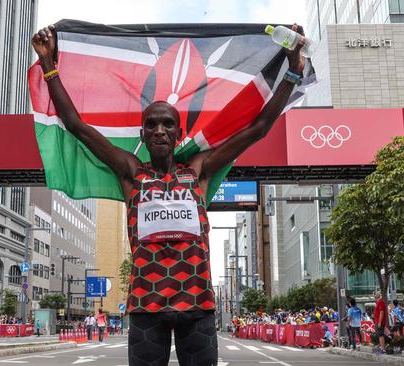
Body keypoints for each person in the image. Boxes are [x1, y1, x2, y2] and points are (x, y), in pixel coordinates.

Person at [32, 22, 306, 365]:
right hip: (147, 307)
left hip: (199, 306)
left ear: (179, 132)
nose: (159, 130)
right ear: (142, 133)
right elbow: (76, 125)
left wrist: (293, 70)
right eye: (151, 124)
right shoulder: (131, 172)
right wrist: (48, 65)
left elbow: (259, 128)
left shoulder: (199, 169)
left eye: (167, 124)